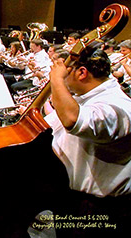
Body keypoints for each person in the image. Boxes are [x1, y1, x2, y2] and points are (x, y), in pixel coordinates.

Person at [46, 48, 131, 237]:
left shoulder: (117, 106)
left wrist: (57, 81)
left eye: (65, 71)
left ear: (82, 72)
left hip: (98, 208)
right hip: (72, 197)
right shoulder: (88, 97)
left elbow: (73, 120)